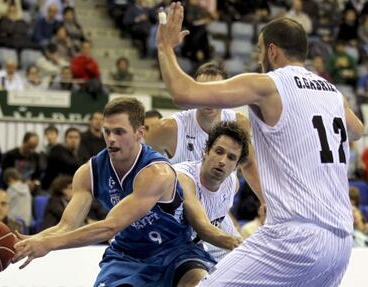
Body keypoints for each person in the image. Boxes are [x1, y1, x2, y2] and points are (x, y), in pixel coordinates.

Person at [157, 4, 364, 286]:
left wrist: (165, 48)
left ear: (272, 51)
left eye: (258, 49)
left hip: (295, 237)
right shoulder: (332, 92)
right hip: (341, 242)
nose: (257, 57)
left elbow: (184, 93)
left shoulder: (268, 85)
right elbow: (357, 131)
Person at [12, 97, 241, 286]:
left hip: (173, 250)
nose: (111, 139)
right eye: (107, 132)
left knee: (197, 283)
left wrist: (48, 245)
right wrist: (32, 240)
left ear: (140, 133)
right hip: (127, 254)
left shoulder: (157, 172)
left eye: (119, 132)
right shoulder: (88, 172)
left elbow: (110, 226)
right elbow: (66, 225)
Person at [146, 63, 264, 203]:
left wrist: (265, 202)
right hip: (180, 212)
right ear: (193, 91)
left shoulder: (239, 122)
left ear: (227, 92)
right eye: (203, 90)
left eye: (216, 91)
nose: (209, 98)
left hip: (219, 211)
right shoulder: (168, 128)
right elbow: (141, 163)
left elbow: (248, 164)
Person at [174, 121, 247, 261]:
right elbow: (204, 228)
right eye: (219, 152)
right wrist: (242, 245)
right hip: (160, 250)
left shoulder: (233, 184)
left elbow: (221, 219)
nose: (222, 161)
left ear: (236, 165)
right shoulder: (183, 178)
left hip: (195, 247)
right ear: (206, 151)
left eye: (231, 157)